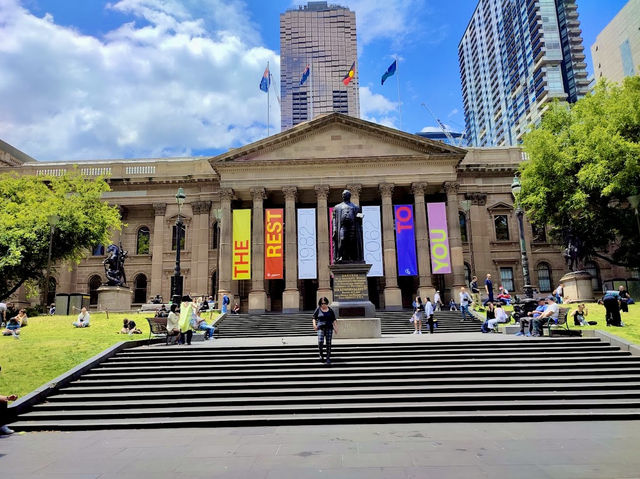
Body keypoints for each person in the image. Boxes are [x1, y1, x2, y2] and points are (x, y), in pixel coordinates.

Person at [332, 190, 364, 263]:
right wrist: (334, 229)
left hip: (352, 227)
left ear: (349, 196)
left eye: (345, 195)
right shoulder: (337, 207)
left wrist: (360, 217)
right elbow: (334, 219)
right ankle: (340, 256)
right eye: (343, 195)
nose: (343, 196)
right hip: (343, 227)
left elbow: (359, 218)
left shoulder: (355, 207)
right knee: (342, 240)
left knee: (352, 242)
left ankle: (352, 257)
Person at [312, 297, 338, 365]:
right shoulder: (318, 309)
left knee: (328, 343)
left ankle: (328, 357)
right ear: (320, 304)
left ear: (327, 303)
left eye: (325, 303)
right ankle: (321, 354)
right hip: (321, 327)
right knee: (320, 341)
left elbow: (334, 320)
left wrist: (335, 328)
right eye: (322, 303)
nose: (323, 305)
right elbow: (314, 318)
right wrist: (314, 325)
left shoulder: (330, 310)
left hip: (329, 328)